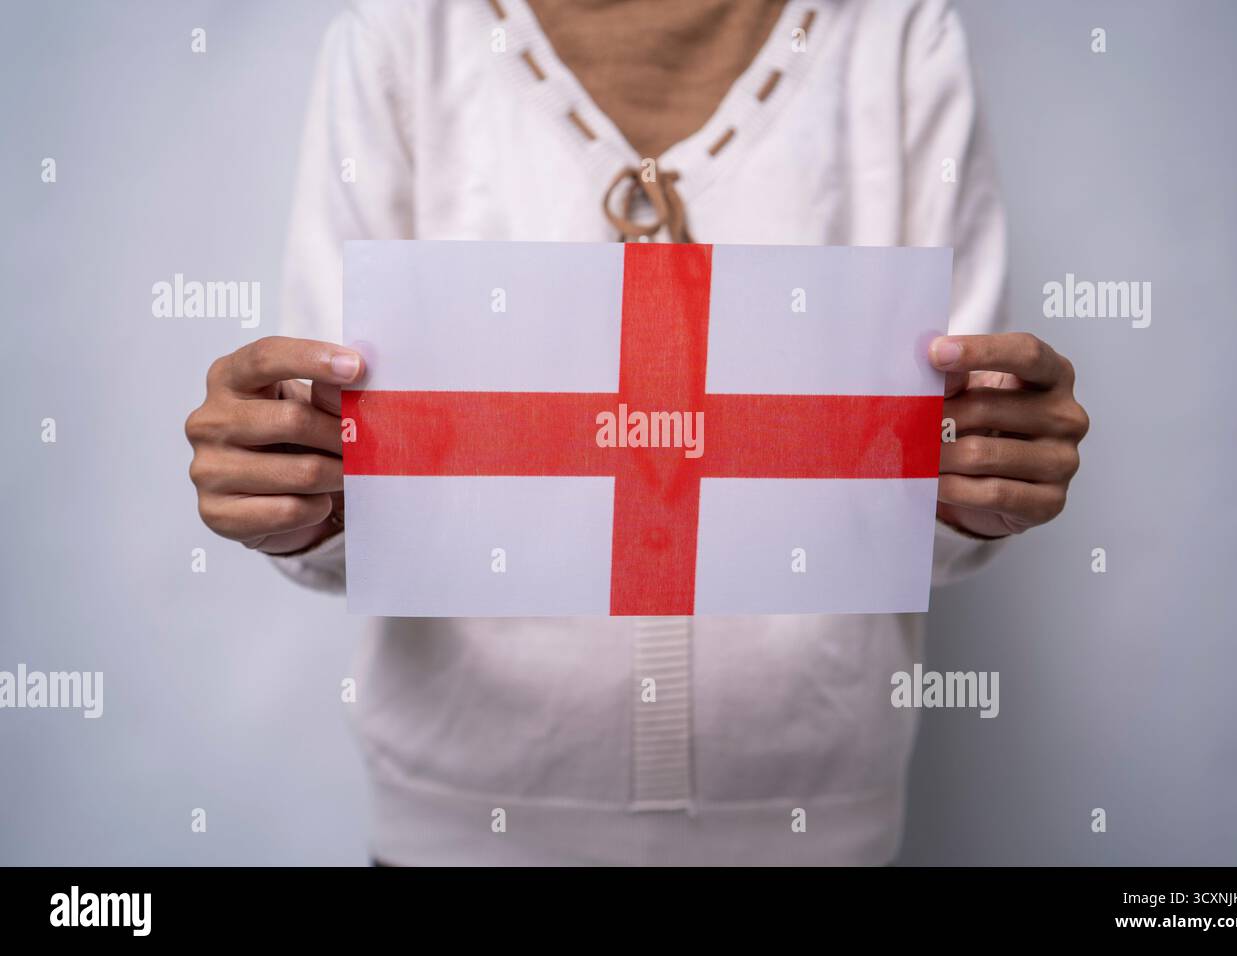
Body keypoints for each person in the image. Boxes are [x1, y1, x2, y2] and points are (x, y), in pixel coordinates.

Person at [184, 0, 1088, 865]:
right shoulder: (400, 36)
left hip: (816, 823)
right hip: (458, 829)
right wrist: (298, 498)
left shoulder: (900, 36)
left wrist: (983, 485)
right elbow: (337, 471)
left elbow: (936, 479)